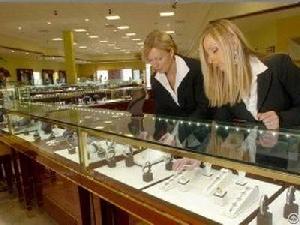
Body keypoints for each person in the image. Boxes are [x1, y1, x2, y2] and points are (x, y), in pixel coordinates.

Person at [198, 19, 300, 130]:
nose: (210, 60)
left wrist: (281, 119)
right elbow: (222, 125)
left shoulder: (279, 65)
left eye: (214, 50)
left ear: (233, 41)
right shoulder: (225, 84)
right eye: (207, 55)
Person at [143, 30, 210, 119]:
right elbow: (161, 113)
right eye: (151, 60)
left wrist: (183, 129)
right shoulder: (155, 80)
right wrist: (159, 133)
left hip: (200, 129)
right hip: (174, 132)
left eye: (159, 59)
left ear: (171, 52)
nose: (155, 65)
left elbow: (204, 107)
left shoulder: (196, 69)